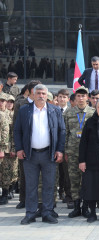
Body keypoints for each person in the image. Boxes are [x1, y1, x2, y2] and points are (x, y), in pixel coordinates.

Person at [14, 84, 65, 225]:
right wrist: (19, 148)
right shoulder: (25, 111)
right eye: (38, 93)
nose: (41, 96)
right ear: (33, 94)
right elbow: (17, 131)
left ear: (47, 95)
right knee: (31, 185)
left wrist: (60, 150)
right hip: (30, 155)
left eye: (43, 93)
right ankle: (30, 213)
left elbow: (62, 131)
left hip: (49, 154)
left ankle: (47, 212)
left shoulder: (55, 110)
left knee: (49, 185)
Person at [64, 86, 95, 218]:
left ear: (87, 97)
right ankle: (76, 206)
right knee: (74, 180)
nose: (81, 98)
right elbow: (65, 133)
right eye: (78, 96)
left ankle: (86, 207)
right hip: (72, 152)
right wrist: (65, 150)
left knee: (87, 181)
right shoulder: (68, 113)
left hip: (88, 154)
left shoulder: (93, 113)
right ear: (75, 97)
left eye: (83, 96)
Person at [13, 80, 40, 210]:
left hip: (40, 144)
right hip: (25, 144)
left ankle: (38, 200)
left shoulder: (42, 104)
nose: (38, 94)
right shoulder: (20, 104)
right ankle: (23, 199)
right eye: (35, 91)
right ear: (29, 91)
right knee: (24, 173)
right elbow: (16, 126)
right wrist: (18, 146)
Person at [56, 89, 72, 207]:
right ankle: (58, 192)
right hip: (55, 146)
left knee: (67, 173)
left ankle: (68, 195)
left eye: (64, 97)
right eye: (60, 97)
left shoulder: (71, 112)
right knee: (56, 173)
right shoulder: (52, 110)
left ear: (68, 99)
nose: (62, 99)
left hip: (67, 147)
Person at [0, 93, 11, 205]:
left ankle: (5, 194)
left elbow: (5, 132)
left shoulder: (3, 115)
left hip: (1, 147)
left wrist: (3, 148)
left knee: (5, 172)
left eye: (2, 100)